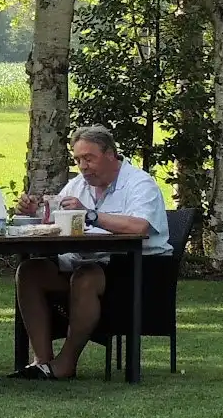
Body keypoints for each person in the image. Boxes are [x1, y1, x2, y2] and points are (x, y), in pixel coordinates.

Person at [10, 125, 171, 379]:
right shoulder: (77, 185)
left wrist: (91, 215)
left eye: (88, 158)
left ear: (110, 155)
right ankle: (42, 361)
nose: (83, 166)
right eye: (77, 159)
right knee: (30, 271)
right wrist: (33, 213)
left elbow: (139, 226)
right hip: (86, 261)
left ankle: (66, 362)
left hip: (137, 270)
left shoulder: (140, 184)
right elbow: (54, 221)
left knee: (85, 277)